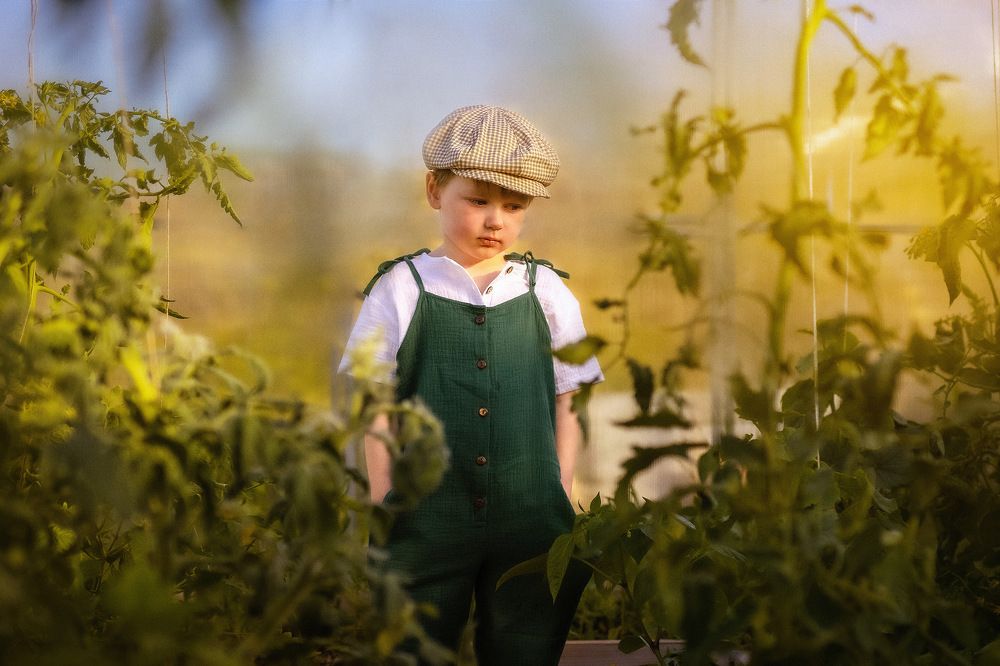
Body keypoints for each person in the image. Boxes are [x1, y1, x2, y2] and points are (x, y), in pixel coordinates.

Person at [338, 104, 603, 665]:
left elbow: (568, 403)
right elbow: (374, 404)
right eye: (478, 200)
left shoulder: (547, 290)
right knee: (411, 645)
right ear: (435, 190)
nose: (495, 221)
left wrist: (560, 491)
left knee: (526, 645)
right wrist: (384, 498)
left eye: (514, 205)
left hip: (530, 516)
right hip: (425, 515)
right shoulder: (399, 287)